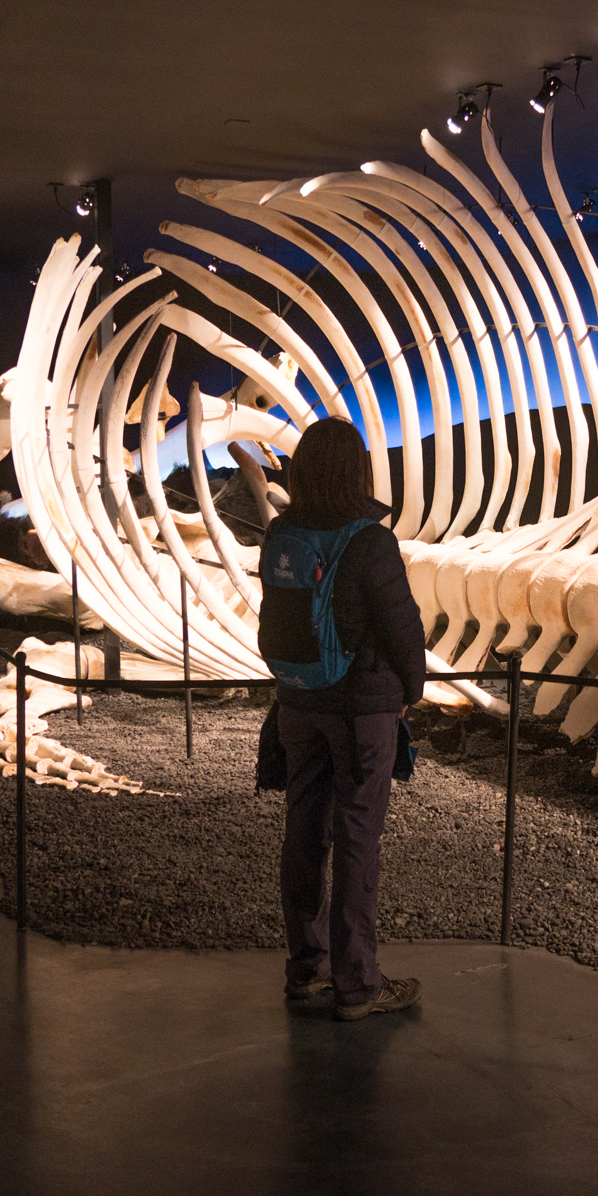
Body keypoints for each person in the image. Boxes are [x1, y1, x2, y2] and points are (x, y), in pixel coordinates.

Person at [258, 417, 426, 1020]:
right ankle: (357, 983)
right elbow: (402, 624)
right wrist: (413, 687)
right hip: (360, 709)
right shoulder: (371, 540)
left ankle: (307, 967)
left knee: (304, 831)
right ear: (358, 472)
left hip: (297, 701)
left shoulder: (280, 531)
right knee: (357, 836)